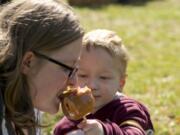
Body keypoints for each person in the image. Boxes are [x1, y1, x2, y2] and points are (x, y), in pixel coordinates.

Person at [0, 0, 84, 134]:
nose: (74, 82)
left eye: (76, 70)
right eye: (67, 68)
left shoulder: (30, 97)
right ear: (28, 62)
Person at [54, 29, 154, 135]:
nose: (92, 85)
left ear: (121, 83)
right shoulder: (72, 117)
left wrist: (105, 131)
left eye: (104, 77)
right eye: (83, 75)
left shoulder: (128, 110)